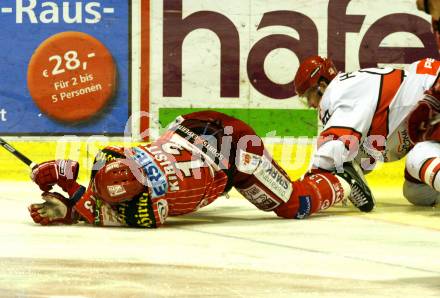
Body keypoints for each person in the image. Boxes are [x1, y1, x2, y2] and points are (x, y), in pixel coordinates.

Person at [28, 110, 373, 228]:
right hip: (194, 127)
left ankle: (340, 179)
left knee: (293, 205)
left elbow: (110, 213)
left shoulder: (152, 207)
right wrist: (60, 173)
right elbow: (95, 179)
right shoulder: (114, 158)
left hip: (236, 151)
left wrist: (69, 201)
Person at [294, 55, 440, 207]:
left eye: (308, 96)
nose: (311, 104)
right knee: (416, 192)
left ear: (322, 85)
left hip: (434, 92)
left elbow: (334, 146)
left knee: (418, 158)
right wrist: (339, 176)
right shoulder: (354, 87)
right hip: (429, 100)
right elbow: (361, 160)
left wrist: (306, 184)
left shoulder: (337, 92)